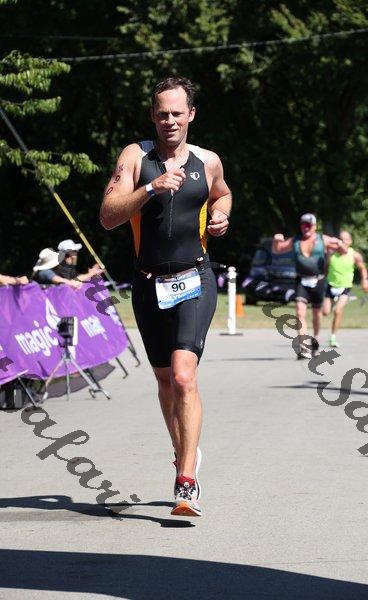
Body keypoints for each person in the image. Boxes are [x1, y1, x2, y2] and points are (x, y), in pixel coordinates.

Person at [100, 76, 231, 517]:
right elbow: (108, 216)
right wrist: (149, 189)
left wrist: (222, 215)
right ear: (152, 116)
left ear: (191, 114)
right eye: (162, 113)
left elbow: (223, 193)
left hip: (196, 278)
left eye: (177, 113)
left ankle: (186, 480)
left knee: (182, 376)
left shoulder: (207, 161)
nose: (169, 120)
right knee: (163, 381)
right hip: (148, 282)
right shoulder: (135, 157)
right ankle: (184, 452)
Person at [272, 213, 346, 359]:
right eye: (303, 224)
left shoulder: (323, 239)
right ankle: (303, 347)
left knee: (317, 315)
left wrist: (339, 243)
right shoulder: (295, 240)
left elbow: (344, 251)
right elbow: (277, 249)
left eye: (309, 225)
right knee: (300, 313)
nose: (306, 227)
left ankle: (315, 341)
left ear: (315, 226)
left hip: (318, 281)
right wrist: (276, 240)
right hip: (301, 280)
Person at [323, 230, 368, 347]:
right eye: (341, 239)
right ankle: (331, 304)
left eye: (346, 239)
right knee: (325, 312)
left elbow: (362, 268)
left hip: (345, 287)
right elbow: (325, 268)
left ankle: (333, 337)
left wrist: (365, 280)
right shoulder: (331, 253)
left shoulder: (354, 255)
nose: (343, 242)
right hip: (330, 285)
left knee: (338, 311)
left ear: (350, 241)